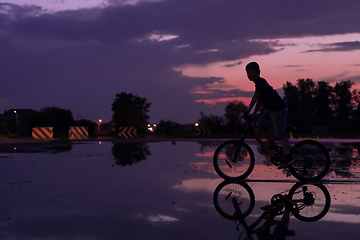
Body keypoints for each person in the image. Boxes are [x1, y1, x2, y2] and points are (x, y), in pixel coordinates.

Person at [243, 62, 295, 169]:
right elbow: (260, 100)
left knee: (280, 133)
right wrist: (253, 113)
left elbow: (256, 96)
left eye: (252, 72)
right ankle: (271, 142)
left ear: (258, 72)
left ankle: (288, 157)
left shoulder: (261, 82)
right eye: (247, 73)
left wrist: (248, 110)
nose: (249, 74)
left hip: (278, 109)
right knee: (259, 125)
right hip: (271, 110)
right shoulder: (258, 84)